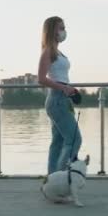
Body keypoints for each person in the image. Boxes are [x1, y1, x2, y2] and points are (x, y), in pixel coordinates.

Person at [37, 16, 82, 175]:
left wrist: (68, 88)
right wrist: (63, 88)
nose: (64, 31)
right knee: (75, 139)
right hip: (57, 99)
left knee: (58, 142)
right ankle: (61, 179)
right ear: (52, 31)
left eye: (64, 28)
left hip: (63, 98)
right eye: (61, 28)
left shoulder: (58, 52)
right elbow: (41, 79)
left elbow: (60, 76)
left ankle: (52, 181)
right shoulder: (48, 51)